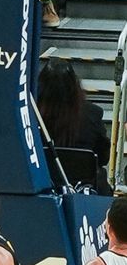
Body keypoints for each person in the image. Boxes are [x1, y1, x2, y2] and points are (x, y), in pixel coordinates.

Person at [37, 58, 111, 194]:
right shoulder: (92, 113)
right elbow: (103, 157)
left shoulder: (30, 114)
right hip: (85, 190)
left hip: (41, 185)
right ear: (74, 83)